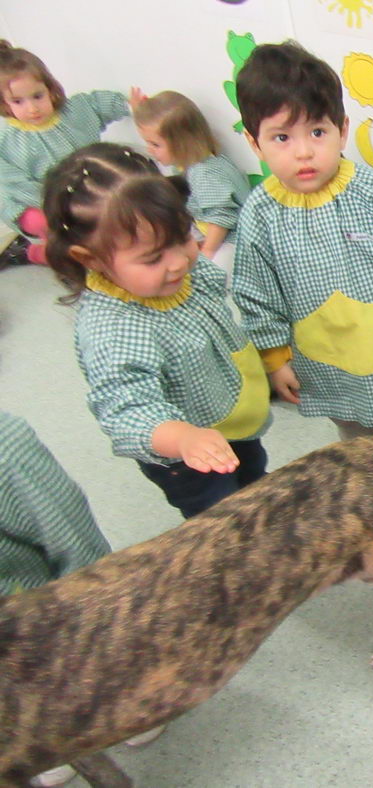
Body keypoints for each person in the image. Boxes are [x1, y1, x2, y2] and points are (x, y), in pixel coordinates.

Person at [232, 42, 373, 450]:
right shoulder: (260, 214)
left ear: (342, 129)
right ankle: (371, 490)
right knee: (354, 437)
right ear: (254, 143)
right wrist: (276, 361)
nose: (304, 151)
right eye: (281, 137)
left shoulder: (369, 191)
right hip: (324, 358)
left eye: (317, 131)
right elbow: (257, 294)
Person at [42, 143, 271, 520]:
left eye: (182, 237)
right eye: (152, 258)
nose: (180, 260)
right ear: (91, 259)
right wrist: (184, 438)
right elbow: (127, 409)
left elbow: (216, 310)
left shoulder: (179, 270)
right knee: (221, 521)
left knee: (255, 481)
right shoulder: (112, 331)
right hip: (185, 456)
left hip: (229, 413)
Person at [0, 410, 163, 787]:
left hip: (38, 615)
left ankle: (125, 701)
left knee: (80, 665)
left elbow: (72, 540)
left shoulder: (6, 445)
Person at [0, 41, 130, 265]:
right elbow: (15, 184)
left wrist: (130, 105)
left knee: (108, 212)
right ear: (5, 104)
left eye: (37, 96)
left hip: (84, 190)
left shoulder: (73, 112)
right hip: (34, 200)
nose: (32, 108)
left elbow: (98, 104)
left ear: (50, 89)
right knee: (54, 229)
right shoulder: (7, 140)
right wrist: (56, 203)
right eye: (18, 101)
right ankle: (41, 253)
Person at [132, 89, 251, 275]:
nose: (150, 150)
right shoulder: (190, 163)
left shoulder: (205, 173)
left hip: (236, 239)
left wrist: (207, 253)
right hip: (205, 226)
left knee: (210, 271)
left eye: (155, 145)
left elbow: (222, 218)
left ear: (181, 143)